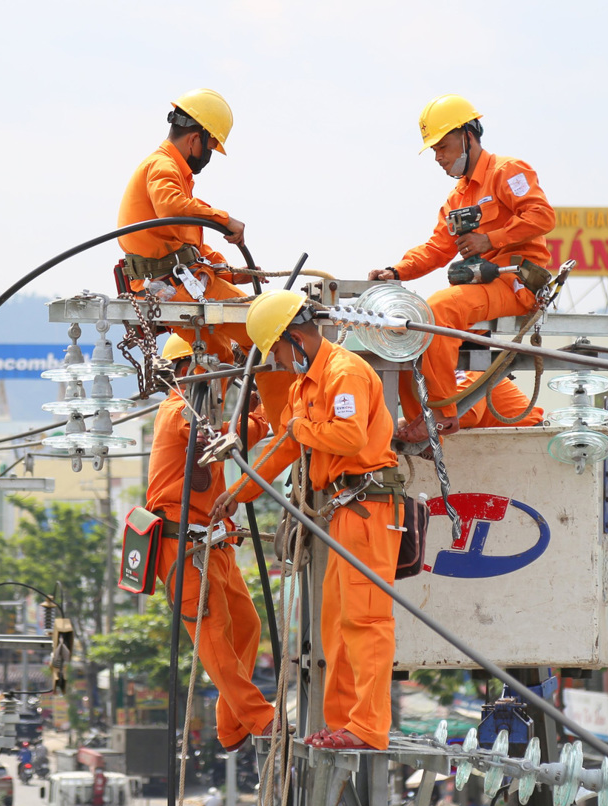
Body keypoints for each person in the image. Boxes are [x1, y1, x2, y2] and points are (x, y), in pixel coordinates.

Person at [211, 291, 403, 751]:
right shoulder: (305, 387)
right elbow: (285, 447)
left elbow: (349, 436)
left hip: (370, 507)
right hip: (344, 510)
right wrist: (237, 493)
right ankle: (343, 724)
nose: (276, 361)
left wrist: (298, 429)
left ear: (294, 339)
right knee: (336, 625)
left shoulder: (344, 372)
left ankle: (368, 727)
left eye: (276, 350)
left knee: (366, 620)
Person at [367, 94, 556, 442]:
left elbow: (543, 216)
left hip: (516, 283)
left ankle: (440, 416)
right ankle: (423, 417)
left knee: (438, 309)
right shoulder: (458, 198)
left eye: (443, 146)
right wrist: (395, 272)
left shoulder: (507, 171)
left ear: (468, 135)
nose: (438, 157)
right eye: (434, 150)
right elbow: (437, 248)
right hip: (483, 285)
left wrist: (491, 239)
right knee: (405, 326)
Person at [149, 334, 277, 751]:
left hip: (214, 546)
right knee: (214, 636)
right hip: (183, 550)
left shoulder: (198, 409)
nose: (220, 383)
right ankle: (259, 719)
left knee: (248, 626)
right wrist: (266, 416)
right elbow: (222, 439)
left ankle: (233, 724)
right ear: (188, 371)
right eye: (210, 372)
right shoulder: (177, 414)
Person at [117, 88, 253, 364]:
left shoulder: (174, 175)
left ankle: (199, 409)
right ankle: (274, 409)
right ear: (194, 140)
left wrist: (230, 273)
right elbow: (170, 207)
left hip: (174, 281)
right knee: (269, 329)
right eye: (211, 147)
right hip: (173, 284)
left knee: (219, 357)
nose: (209, 155)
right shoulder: (162, 167)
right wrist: (224, 219)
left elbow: (190, 247)